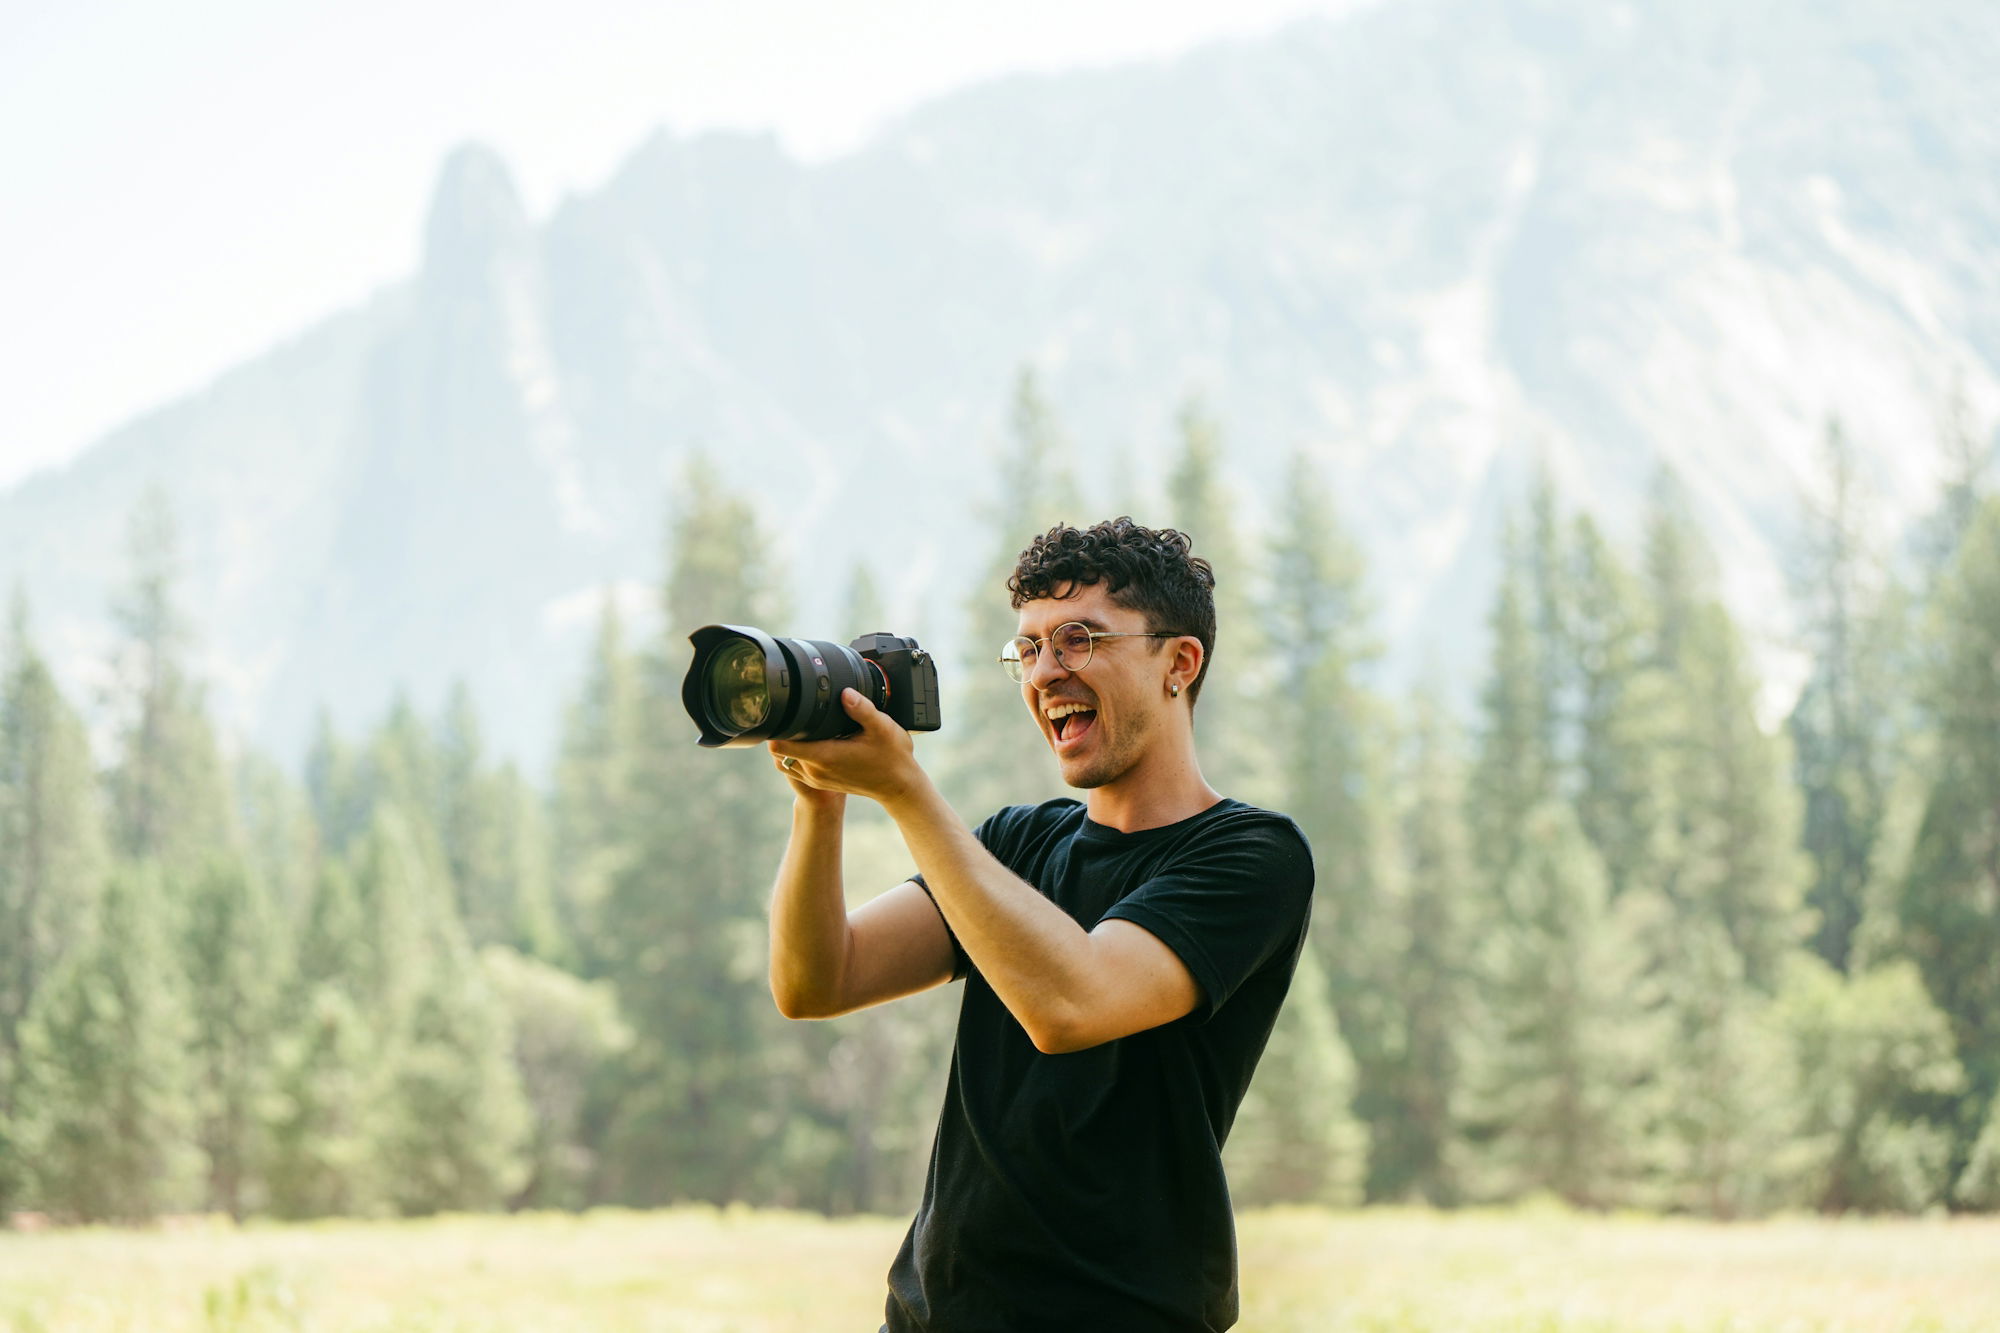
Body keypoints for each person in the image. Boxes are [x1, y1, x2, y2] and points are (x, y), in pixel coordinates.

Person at [765, 517, 1315, 1332]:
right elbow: (818, 980)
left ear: (1180, 662)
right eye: (1028, 649)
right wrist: (821, 802)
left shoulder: (1250, 855)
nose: (1046, 673)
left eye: (1078, 640)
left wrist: (909, 792)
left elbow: (1072, 1004)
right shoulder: (1017, 844)